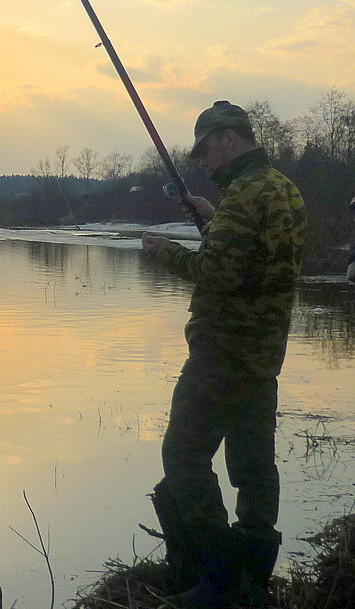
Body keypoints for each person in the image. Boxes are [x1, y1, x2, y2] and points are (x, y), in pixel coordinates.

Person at [141, 101, 306, 609]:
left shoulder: (244, 194)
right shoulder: (283, 189)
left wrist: (160, 250)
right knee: (253, 465)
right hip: (263, 354)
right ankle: (252, 577)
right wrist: (213, 219)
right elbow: (257, 263)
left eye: (207, 150)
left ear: (230, 138)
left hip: (220, 353)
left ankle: (214, 579)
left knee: (184, 456)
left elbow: (217, 275)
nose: (204, 163)